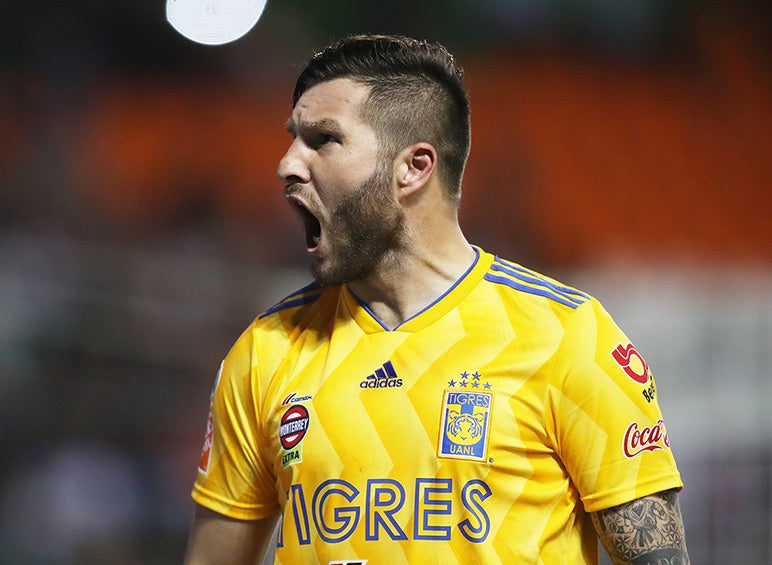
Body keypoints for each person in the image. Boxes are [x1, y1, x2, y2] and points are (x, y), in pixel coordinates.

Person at [184, 34, 689, 564]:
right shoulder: (264, 351)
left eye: (323, 140)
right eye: (293, 139)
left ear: (414, 167)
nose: (287, 163)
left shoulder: (565, 335)